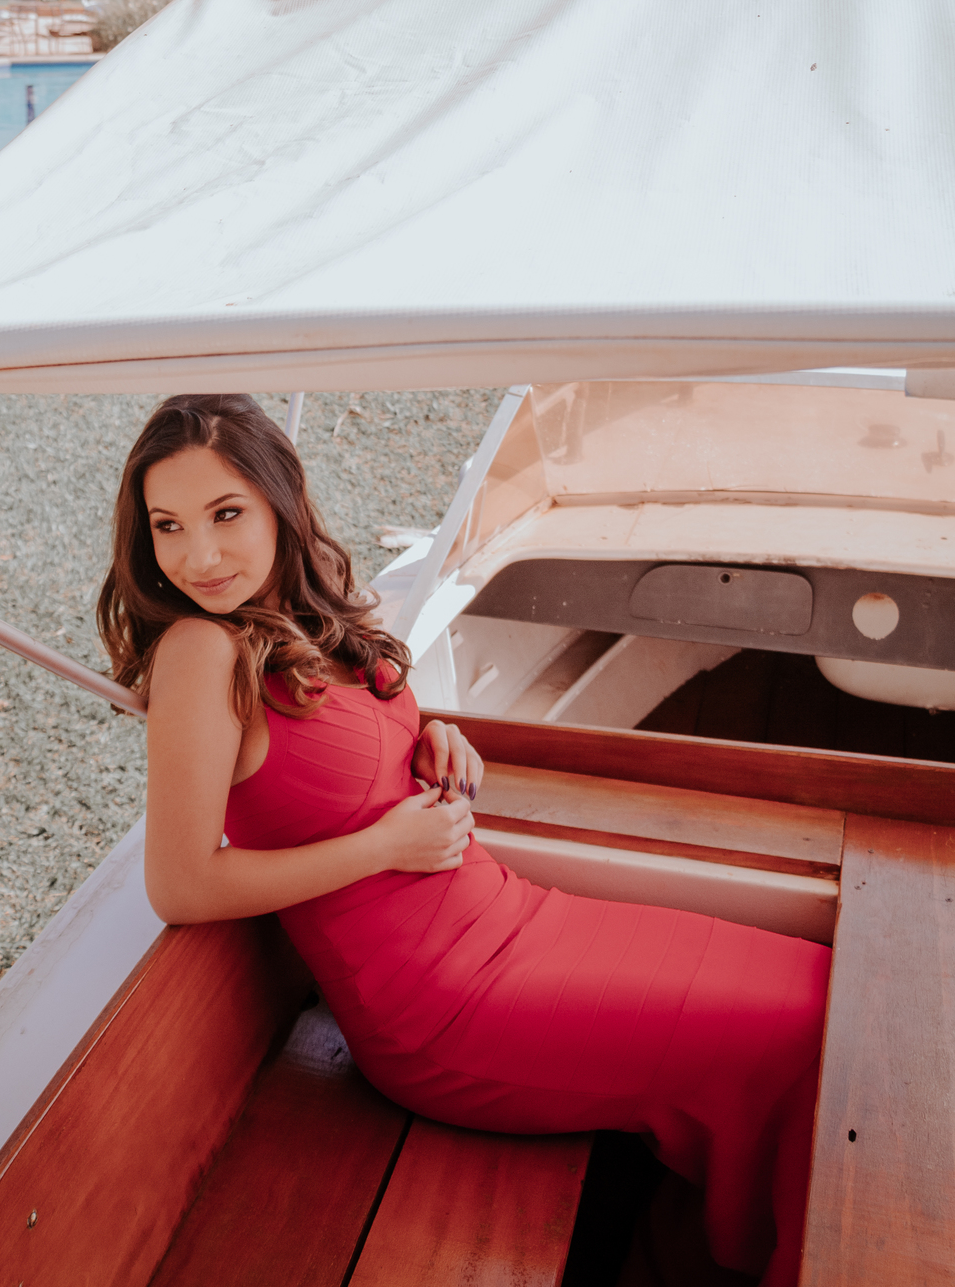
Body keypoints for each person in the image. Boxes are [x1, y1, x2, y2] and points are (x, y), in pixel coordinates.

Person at [99, 395, 829, 1287]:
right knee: (793, 1033)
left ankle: (722, 1243)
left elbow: (324, 763)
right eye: (168, 526)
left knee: (813, 985)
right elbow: (179, 884)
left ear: (281, 502)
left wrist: (429, 735)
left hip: (509, 916)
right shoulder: (199, 653)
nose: (198, 556)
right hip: (439, 1006)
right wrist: (383, 848)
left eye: (225, 515)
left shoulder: (302, 621)